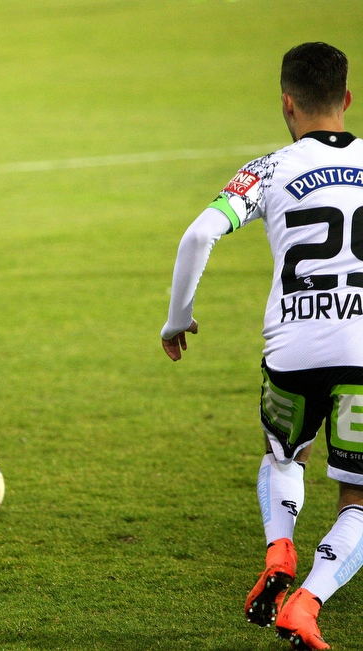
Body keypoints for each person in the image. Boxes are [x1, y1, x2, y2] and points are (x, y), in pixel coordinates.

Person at [161, 42, 363, 651]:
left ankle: (280, 551)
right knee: (357, 497)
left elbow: (199, 233)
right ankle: (307, 603)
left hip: (292, 348)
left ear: (286, 103)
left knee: (283, 457)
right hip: (362, 350)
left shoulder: (269, 168)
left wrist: (179, 320)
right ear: (347, 100)